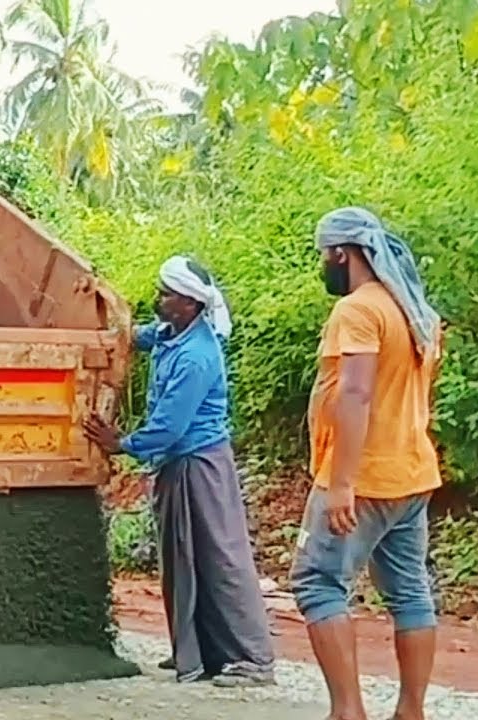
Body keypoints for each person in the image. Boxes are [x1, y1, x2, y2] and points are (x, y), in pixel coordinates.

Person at [85, 255, 276, 687]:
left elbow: (170, 426)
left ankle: (252, 660)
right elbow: (142, 338)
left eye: (168, 295)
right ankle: (197, 652)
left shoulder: (196, 357)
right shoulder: (173, 334)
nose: (160, 299)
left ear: (191, 304)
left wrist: (121, 444)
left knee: (220, 558)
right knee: (182, 559)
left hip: (199, 464)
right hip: (179, 464)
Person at [291, 207, 443, 720]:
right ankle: (410, 710)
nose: (324, 266)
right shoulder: (414, 309)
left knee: (318, 582)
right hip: (413, 472)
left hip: (365, 477)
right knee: (410, 592)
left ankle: (347, 711)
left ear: (342, 253)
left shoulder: (358, 310)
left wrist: (341, 484)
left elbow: (356, 394)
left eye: (324, 256)